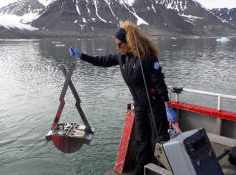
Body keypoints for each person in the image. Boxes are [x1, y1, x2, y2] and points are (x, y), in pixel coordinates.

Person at [69, 21, 177, 175]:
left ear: (130, 43)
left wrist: (168, 107)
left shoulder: (147, 58)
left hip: (155, 106)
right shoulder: (122, 57)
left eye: (120, 44)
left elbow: (159, 83)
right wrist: (81, 56)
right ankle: (141, 171)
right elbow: (102, 61)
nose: (117, 48)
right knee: (141, 141)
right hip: (139, 106)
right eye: (117, 45)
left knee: (161, 140)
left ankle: (167, 170)